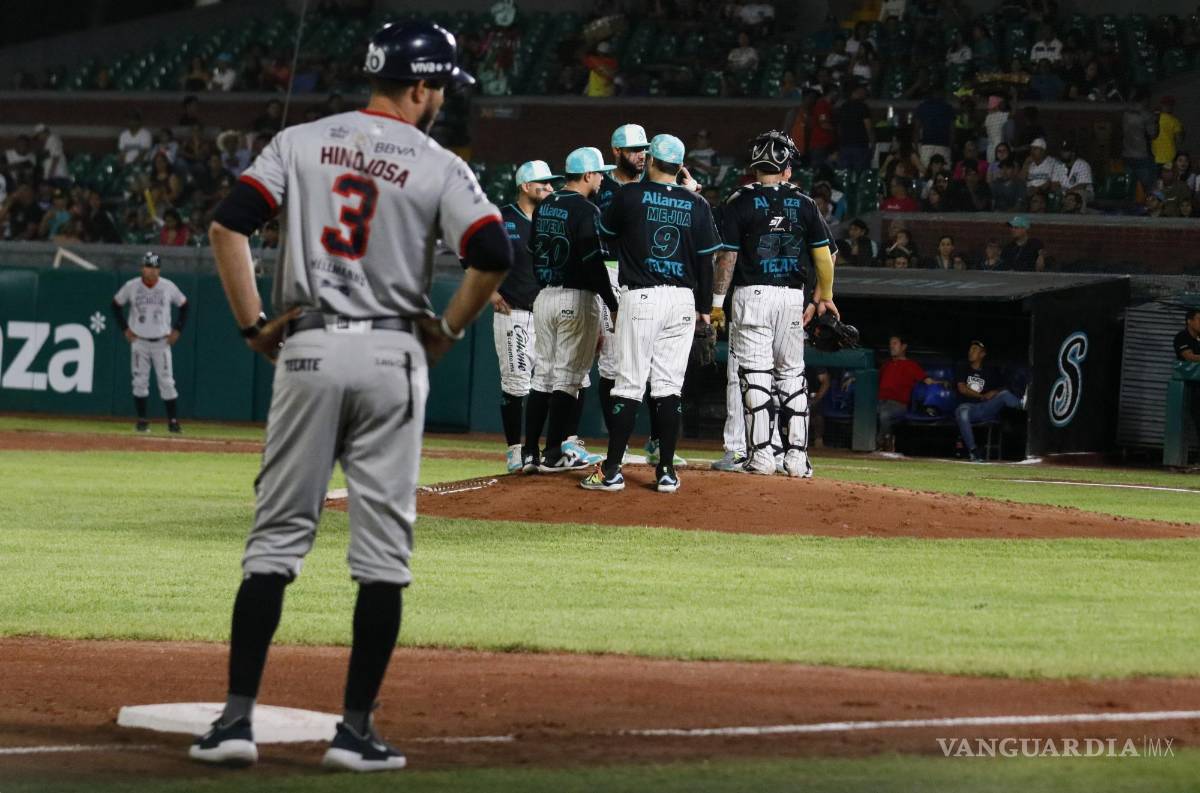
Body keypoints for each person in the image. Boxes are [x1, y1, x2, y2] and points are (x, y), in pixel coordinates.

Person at [195, 21, 511, 772]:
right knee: (381, 557)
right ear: (421, 87)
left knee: (275, 539)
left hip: (306, 345)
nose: (440, 102)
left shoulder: (300, 142)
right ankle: (355, 731)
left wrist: (251, 328)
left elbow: (227, 224)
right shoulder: (437, 161)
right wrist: (447, 329)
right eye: (439, 90)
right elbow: (494, 253)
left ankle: (235, 722)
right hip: (391, 351)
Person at [581, 134, 719, 493]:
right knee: (669, 389)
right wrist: (705, 308)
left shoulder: (630, 195)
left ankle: (611, 471)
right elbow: (708, 262)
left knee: (628, 385)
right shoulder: (698, 203)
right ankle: (667, 472)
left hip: (641, 296)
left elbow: (607, 235)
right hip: (684, 301)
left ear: (654, 161)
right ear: (681, 166)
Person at [711, 130, 838, 478]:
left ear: (754, 167)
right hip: (791, 297)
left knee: (755, 378)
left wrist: (717, 303)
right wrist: (823, 296)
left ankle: (762, 455)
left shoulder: (738, 202)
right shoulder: (805, 203)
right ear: (787, 170)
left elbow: (727, 260)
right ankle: (797, 458)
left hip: (752, 295)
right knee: (792, 375)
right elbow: (826, 259)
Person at [524, 147, 618, 473]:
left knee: (542, 375)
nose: (602, 178)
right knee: (568, 377)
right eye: (599, 173)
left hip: (545, 296)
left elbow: (532, 249)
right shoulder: (587, 209)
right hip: (576, 298)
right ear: (589, 175)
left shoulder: (545, 205)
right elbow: (593, 262)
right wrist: (611, 301)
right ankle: (554, 453)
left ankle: (528, 452)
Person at [595, 124, 677, 467]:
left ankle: (658, 443)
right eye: (633, 150)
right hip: (611, 269)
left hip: (649, 276)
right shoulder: (602, 188)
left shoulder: (651, 186)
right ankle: (620, 444)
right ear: (616, 152)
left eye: (644, 149)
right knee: (613, 361)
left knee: (659, 364)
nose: (641, 155)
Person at [489, 160, 558, 473]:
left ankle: (536, 449)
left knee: (548, 383)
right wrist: (488, 292)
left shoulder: (553, 218)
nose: (548, 188)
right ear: (525, 186)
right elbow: (470, 254)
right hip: (513, 312)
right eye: (542, 183)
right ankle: (514, 451)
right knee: (516, 384)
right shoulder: (501, 218)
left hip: (547, 314)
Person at [110, 252, 189, 434]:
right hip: (140, 340)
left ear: (159, 269)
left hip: (162, 341)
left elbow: (185, 306)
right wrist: (125, 328)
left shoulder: (167, 286)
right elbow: (115, 305)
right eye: (148, 267)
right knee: (139, 381)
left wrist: (177, 329)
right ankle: (142, 420)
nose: (152, 271)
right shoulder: (132, 286)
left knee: (167, 382)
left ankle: (173, 422)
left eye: (155, 267)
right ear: (142, 268)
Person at [954, 340, 1022, 462]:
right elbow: (962, 388)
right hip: (968, 408)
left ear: (982, 354)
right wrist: (981, 396)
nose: (971, 352)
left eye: (974, 350)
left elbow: (1004, 387)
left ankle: (1025, 407)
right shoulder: (962, 366)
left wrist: (994, 392)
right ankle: (973, 451)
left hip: (986, 408)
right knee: (962, 412)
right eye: (970, 349)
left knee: (1005, 394)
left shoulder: (990, 371)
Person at [877, 334, 940, 451]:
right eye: (890, 344)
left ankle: (880, 444)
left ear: (903, 347)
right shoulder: (887, 364)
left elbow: (928, 381)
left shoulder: (911, 365)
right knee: (867, 411)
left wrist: (942, 383)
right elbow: (873, 378)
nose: (891, 346)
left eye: (895, 343)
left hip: (898, 405)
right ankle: (884, 441)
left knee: (884, 414)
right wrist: (854, 378)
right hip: (880, 402)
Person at [1123, 88, 1160, 198]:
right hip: (1143, 156)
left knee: (1130, 187)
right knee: (1150, 188)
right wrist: (1156, 120)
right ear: (1146, 99)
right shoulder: (1147, 115)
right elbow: (1153, 135)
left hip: (1127, 154)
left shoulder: (1126, 114)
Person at [913, 85, 954, 169]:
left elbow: (916, 129)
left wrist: (916, 147)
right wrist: (951, 147)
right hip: (943, 145)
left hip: (928, 145)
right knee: (944, 172)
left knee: (925, 171)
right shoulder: (948, 108)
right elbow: (952, 131)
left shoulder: (922, 107)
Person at [835, 81, 874, 171]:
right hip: (860, 146)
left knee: (845, 174)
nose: (865, 93)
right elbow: (868, 127)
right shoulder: (862, 107)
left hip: (845, 145)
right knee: (860, 174)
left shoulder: (843, 107)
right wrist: (872, 143)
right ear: (857, 91)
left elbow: (839, 127)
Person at [1051, 140, 1094, 205]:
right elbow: (1054, 184)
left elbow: (1082, 186)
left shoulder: (1083, 164)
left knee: (1079, 194)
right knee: (1052, 195)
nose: (1062, 153)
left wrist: (1068, 193)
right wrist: (1059, 192)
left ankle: (1080, 214)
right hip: (1064, 193)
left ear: (1073, 153)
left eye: (1065, 151)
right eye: (1062, 151)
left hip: (1084, 192)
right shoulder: (1058, 165)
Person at [1152, 95, 1185, 168]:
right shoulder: (1175, 121)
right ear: (1172, 106)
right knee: (1168, 178)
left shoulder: (1154, 118)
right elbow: (1180, 140)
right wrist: (1182, 130)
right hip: (1169, 157)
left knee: (1157, 178)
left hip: (1155, 156)